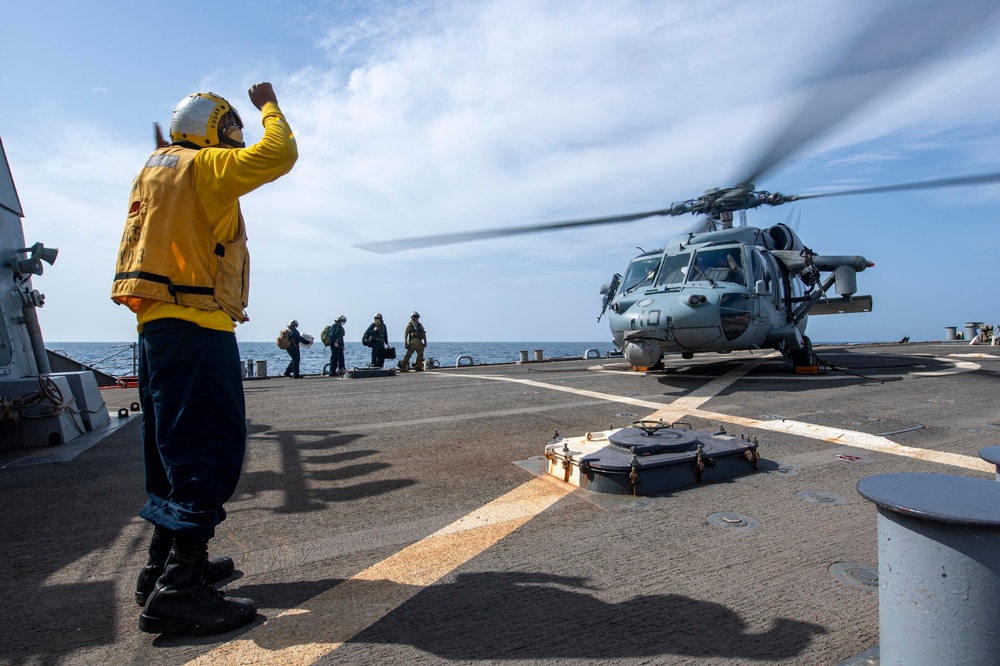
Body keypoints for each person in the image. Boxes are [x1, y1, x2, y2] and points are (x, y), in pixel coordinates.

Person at [111, 82, 297, 635]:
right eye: (230, 131)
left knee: (170, 452)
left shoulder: (155, 168)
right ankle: (180, 590)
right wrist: (268, 104)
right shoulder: (205, 167)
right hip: (197, 326)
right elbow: (279, 154)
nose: (235, 141)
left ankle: (158, 569)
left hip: (157, 327)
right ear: (212, 130)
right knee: (206, 452)